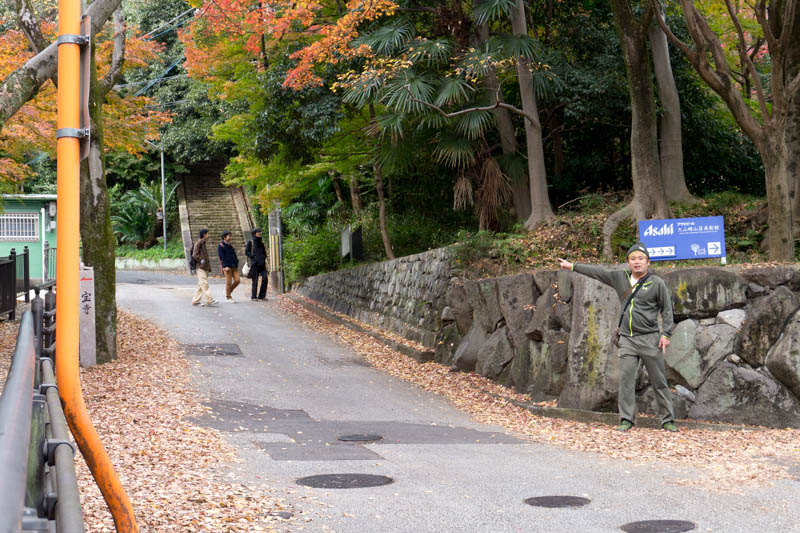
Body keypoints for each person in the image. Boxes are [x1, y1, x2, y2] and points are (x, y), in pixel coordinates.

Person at [558, 243, 677, 432]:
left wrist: (666, 334)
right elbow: (597, 272)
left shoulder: (656, 283)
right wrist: (572, 266)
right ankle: (627, 419)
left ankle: (667, 420)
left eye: (641, 259)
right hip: (627, 339)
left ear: (648, 262)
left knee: (659, 381)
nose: (637, 262)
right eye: (633, 259)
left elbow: (667, 309)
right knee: (626, 380)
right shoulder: (620, 278)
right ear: (628, 262)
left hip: (650, 338)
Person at [191, 228, 218, 307]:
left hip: (204, 267)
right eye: (207, 234)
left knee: (201, 285)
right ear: (204, 234)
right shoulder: (199, 243)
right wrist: (201, 260)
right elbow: (195, 255)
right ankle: (210, 300)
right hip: (200, 267)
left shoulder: (203, 243)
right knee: (204, 284)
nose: (208, 235)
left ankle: (195, 301)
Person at [245, 228, 268, 301]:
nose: (260, 233)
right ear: (255, 234)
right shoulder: (250, 242)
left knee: (265, 278)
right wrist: (253, 256)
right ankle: (253, 296)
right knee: (255, 281)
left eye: (260, 232)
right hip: (254, 264)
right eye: (258, 232)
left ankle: (261, 296)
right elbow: (246, 252)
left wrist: (264, 258)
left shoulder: (261, 243)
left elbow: (264, 253)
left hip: (262, 265)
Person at [217, 230, 240, 303]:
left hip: (234, 266)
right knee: (229, 282)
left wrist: (236, 262)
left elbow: (234, 255)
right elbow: (222, 257)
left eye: (230, 236)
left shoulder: (230, 245)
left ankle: (228, 291)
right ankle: (228, 297)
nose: (230, 237)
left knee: (237, 280)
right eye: (229, 236)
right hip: (227, 267)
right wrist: (225, 266)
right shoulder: (221, 245)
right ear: (224, 237)